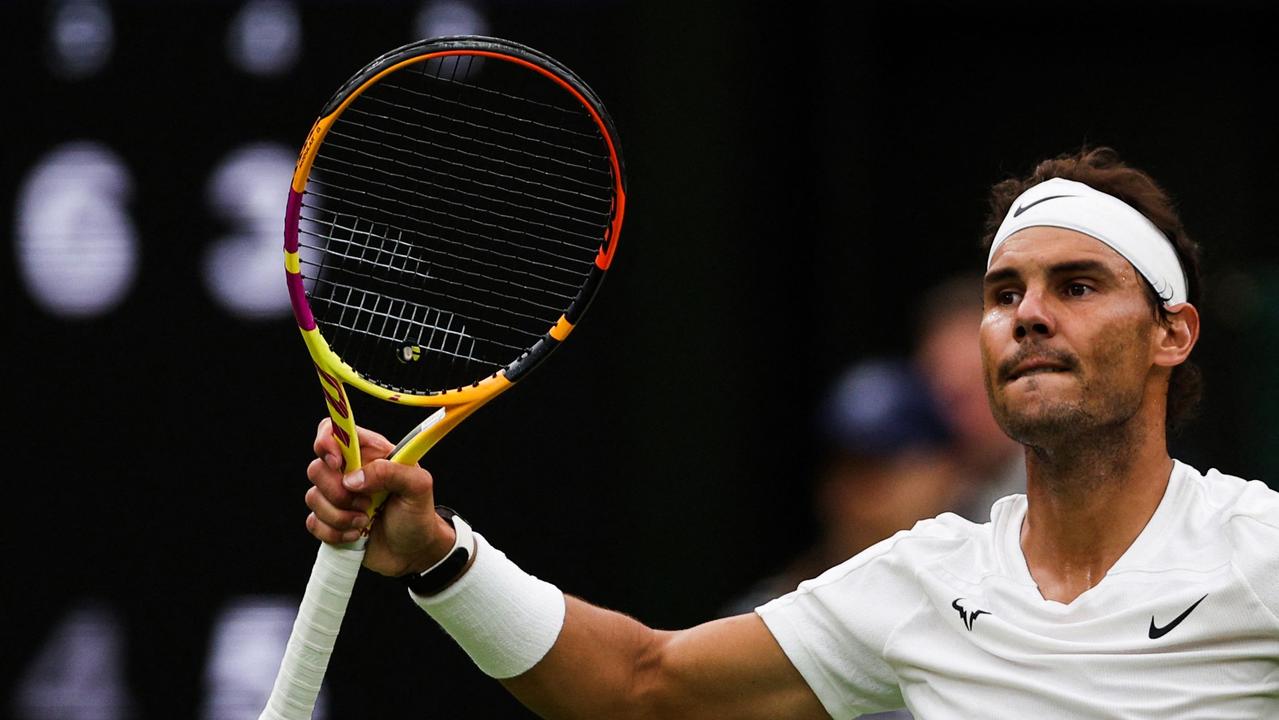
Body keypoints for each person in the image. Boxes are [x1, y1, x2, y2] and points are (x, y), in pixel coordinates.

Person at [303, 147, 1279, 718]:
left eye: (1076, 286)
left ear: (1171, 333)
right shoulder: (927, 580)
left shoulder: (1257, 552)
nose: (1026, 314)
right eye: (1002, 292)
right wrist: (437, 553)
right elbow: (639, 685)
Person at [720, 357, 960, 618]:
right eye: (848, 469)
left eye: (884, 468)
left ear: (944, 472)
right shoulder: (770, 622)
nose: (862, 494)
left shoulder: (988, 602)